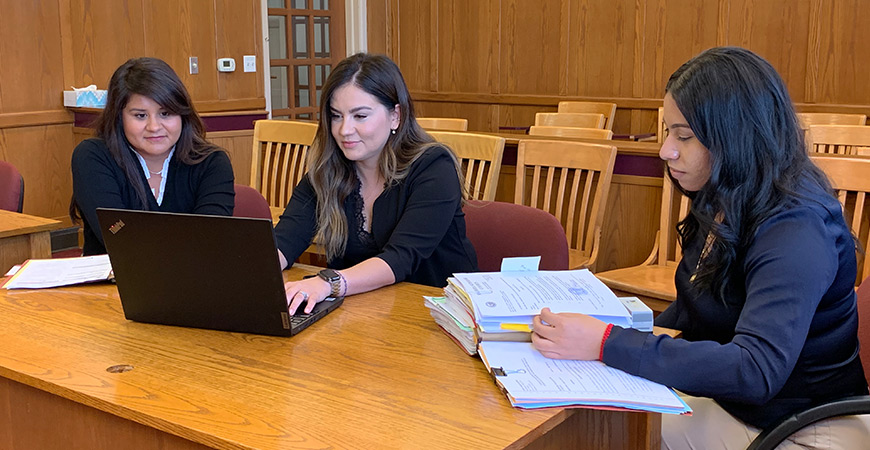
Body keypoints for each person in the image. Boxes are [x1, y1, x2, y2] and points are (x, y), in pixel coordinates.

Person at [530, 47, 869, 449]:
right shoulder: (726, 194)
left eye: (684, 136)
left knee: (596, 439)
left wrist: (607, 342)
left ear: (737, 136)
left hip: (800, 426)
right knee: (588, 429)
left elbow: (755, 370)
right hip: (737, 405)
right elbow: (693, 314)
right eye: (668, 131)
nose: (665, 150)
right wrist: (611, 330)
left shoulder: (796, 228)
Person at [274, 53, 477, 315]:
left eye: (360, 116)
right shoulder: (328, 170)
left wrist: (329, 283)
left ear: (395, 116)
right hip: (365, 312)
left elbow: (400, 258)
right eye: (336, 116)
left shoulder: (434, 167)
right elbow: (285, 239)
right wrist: (254, 271)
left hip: (440, 316)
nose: (344, 130)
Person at [70, 57, 235, 255]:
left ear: (183, 114)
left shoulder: (212, 163)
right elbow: (117, 234)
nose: (154, 127)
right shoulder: (93, 157)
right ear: (119, 117)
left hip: (191, 281)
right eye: (140, 116)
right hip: (110, 284)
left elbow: (209, 238)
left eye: (165, 114)